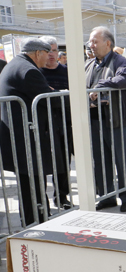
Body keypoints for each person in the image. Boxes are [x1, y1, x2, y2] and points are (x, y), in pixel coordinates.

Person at [0, 38, 57, 225]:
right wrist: (69, 96)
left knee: (28, 185)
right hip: (27, 139)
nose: (49, 58)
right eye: (47, 53)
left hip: (18, 137)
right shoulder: (29, 71)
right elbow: (50, 99)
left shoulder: (15, 65)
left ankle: (33, 220)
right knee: (33, 185)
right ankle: (37, 223)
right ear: (38, 53)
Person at [85, 26, 126, 212]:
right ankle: (106, 197)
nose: (91, 45)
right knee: (100, 161)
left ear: (107, 43)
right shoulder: (89, 64)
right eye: (90, 41)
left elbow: (125, 80)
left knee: (121, 161)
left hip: (115, 120)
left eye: (95, 41)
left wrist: (101, 86)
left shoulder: (119, 61)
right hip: (94, 120)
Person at [40, 35, 73, 210]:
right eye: (48, 51)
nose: (51, 54)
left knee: (63, 162)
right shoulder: (37, 72)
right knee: (43, 162)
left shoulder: (67, 71)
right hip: (43, 124)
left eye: (54, 50)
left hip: (64, 123)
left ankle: (61, 196)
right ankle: (42, 200)